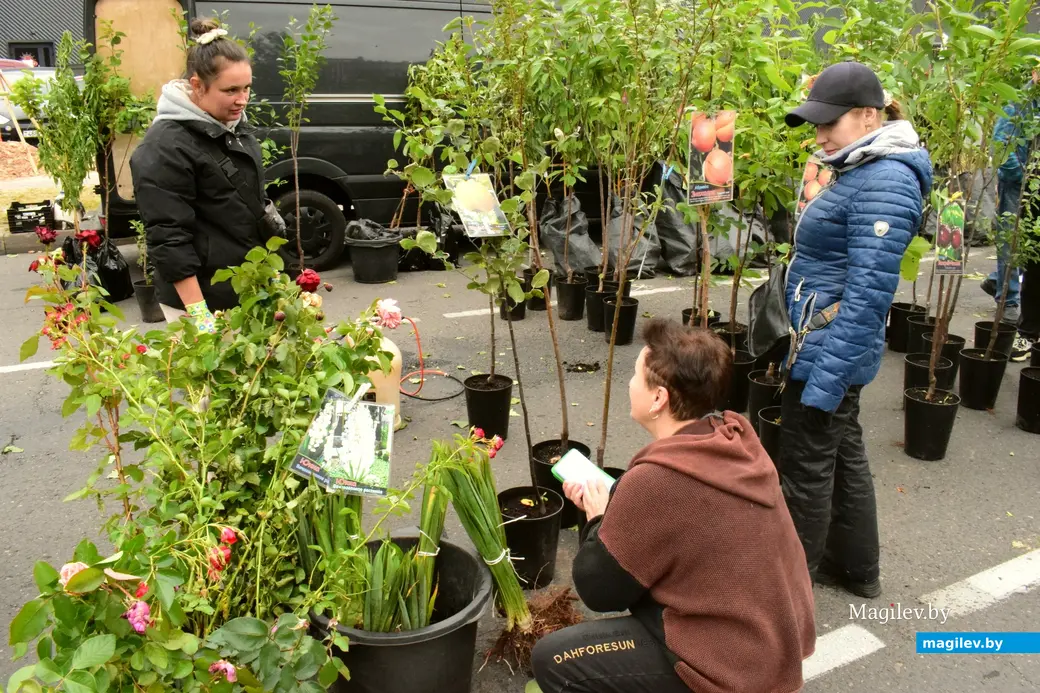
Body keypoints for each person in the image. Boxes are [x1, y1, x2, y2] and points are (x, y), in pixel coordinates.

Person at [529, 320, 816, 693]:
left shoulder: (658, 480)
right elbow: (684, 519)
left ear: (658, 398)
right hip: (775, 642)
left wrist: (598, 517)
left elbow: (599, 590)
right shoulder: (737, 440)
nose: (630, 385)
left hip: (731, 666)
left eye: (635, 377)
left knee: (554, 658)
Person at [780, 61, 933, 598]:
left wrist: (824, 378)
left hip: (830, 351)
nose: (821, 135)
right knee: (843, 454)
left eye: (830, 123)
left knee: (806, 470)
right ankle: (857, 570)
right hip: (825, 343)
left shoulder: (885, 179)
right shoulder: (861, 167)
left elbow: (869, 295)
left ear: (869, 116)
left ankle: (789, 590)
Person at [130, 18, 285, 330]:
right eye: (230, 90)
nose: (242, 100)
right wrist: (200, 319)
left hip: (244, 290)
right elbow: (168, 238)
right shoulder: (165, 147)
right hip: (201, 301)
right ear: (197, 85)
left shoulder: (232, 130)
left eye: (247, 88)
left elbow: (249, 205)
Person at [983, 66, 1039, 331]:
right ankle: (1009, 300)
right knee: (1012, 241)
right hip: (1020, 184)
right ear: (1034, 73)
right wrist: (1023, 178)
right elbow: (1003, 145)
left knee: (1030, 244)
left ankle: (998, 280)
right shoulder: (1021, 102)